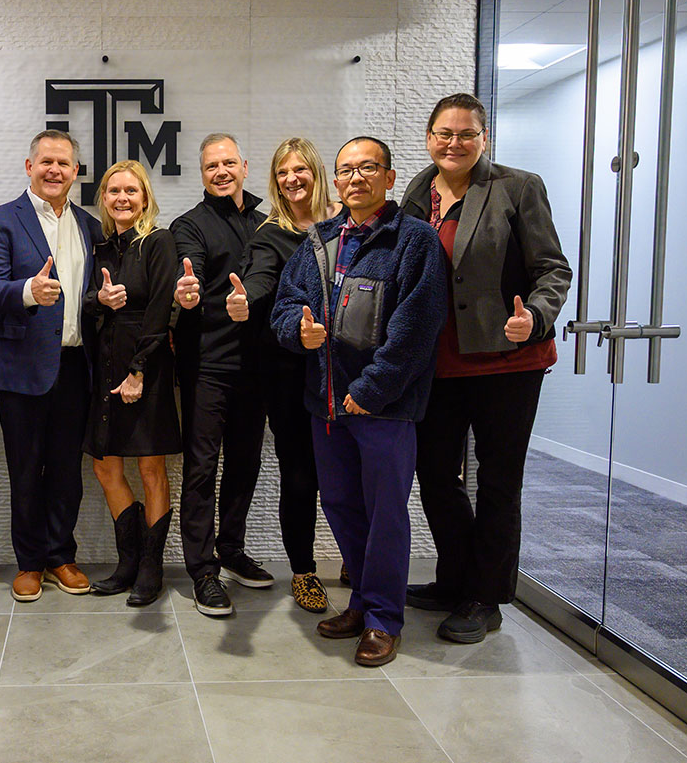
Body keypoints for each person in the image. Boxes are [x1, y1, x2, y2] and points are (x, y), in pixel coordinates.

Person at [401, 93, 571, 644]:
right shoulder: (416, 192)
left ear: (484, 138)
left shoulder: (518, 187)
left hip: (507, 361)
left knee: (498, 481)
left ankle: (486, 596)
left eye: (466, 134)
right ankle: (455, 578)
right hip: (438, 363)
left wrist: (537, 319)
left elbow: (553, 269)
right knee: (434, 475)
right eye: (445, 134)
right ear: (429, 137)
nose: (454, 143)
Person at [271, 136, 446, 667]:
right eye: (346, 170)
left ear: (390, 178)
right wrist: (294, 332)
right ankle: (364, 603)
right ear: (337, 180)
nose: (355, 178)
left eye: (368, 168)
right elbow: (286, 305)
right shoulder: (319, 241)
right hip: (326, 407)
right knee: (341, 507)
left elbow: (416, 330)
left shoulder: (414, 241)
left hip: (382, 409)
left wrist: (369, 392)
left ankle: (382, 621)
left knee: (386, 515)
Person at [0, 129, 102, 602]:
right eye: (46, 161)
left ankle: (60, 557)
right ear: (29, 167)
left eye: (64, 163)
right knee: (27, 470)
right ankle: (29, 562)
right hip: (22, 369)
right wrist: (29, 291)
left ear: (75, 172)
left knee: (68, 470)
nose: (55, 170)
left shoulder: (90, 225)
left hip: (75, 366)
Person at [226, 137, 341, 614]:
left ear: (315, 171)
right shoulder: (269, 234)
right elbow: (261, 277)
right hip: (289, 371)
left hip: (348, 369)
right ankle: (304, 571)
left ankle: (354, 557)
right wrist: (243, 300)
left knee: (350, 469)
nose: (291, 179)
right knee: (300, 473)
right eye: (281, 173)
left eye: (299, 170)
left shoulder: (346, 223)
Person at [171, 132, 271, 617]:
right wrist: (187, 292)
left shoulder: (268, 220)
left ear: (245, 165)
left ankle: (231, 550)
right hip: (207, 363)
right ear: (202, 172)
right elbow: (187, 281)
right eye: (212, 166)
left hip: (259, 365)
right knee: (202, 468)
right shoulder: (188, 225)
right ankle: (203, 571)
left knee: (246, 464)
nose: (221, 172)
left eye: (229, 162)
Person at [83, 160, 180, 606]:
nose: (122, 198)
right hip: (103, 365)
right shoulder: (101, 249)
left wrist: (138, 369)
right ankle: (129, 560)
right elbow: (86, 305)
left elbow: (162, 309)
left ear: (145, 198)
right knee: (106, 465)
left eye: (131, 191)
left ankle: (151, 567)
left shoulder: (157, 242)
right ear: (103, 198)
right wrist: (98, 300)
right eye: (113, 190)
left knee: (149, 467)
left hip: (146, 366)